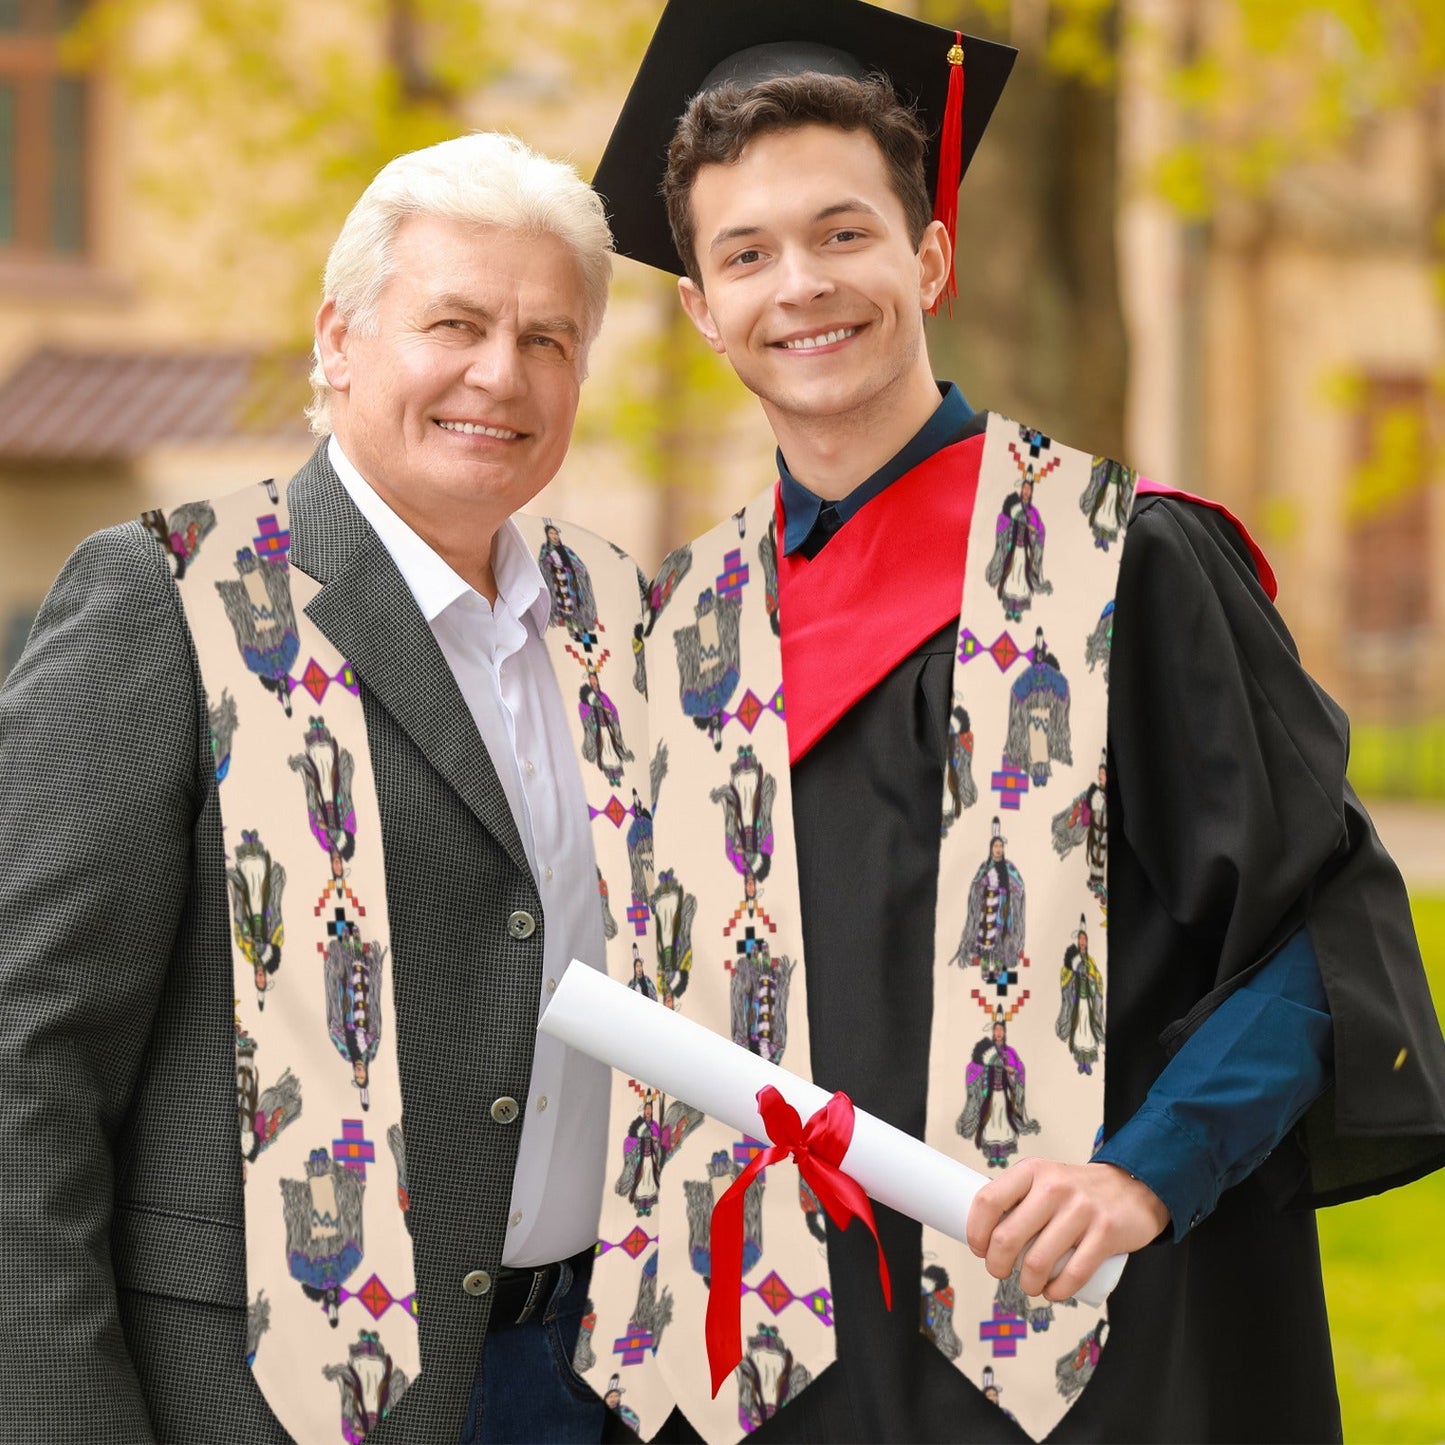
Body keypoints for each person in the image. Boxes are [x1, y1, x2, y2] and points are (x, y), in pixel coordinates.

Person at [575, 1, 1445, 1440]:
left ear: (927, 254)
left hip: (1088, 1347)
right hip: (778, 1376)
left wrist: (1143, 1171)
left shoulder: (1128, 563)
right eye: (745, 254)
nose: (800, 285)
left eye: (843, 233)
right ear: (700, 307)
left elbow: (1318, 933)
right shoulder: (681, 634)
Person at [0, 132, 652, 1444]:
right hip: (261, 1400)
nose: (498, 372)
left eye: (546, 338)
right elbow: (27, 1059)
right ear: (339, 340)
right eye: (454, 322)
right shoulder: (173, 597)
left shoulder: (623, 625)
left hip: (588, 1382)